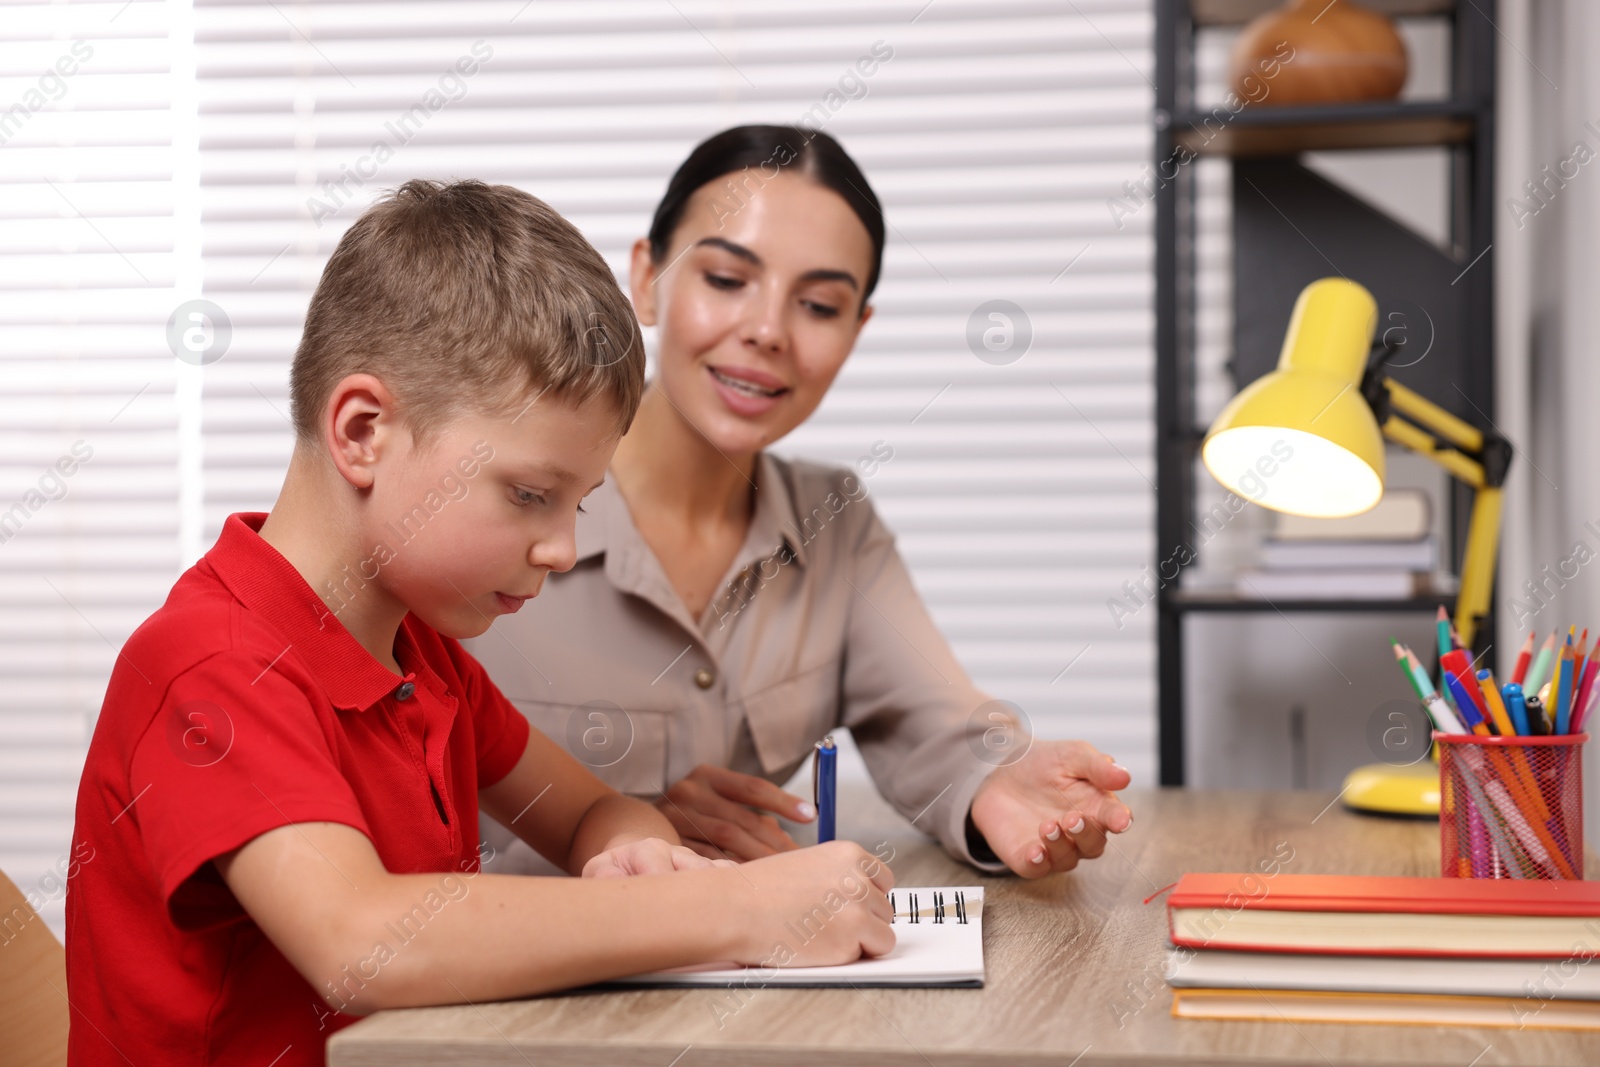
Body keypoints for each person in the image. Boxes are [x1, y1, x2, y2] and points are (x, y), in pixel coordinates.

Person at [65, 179, 895, 1067]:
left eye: (580, 503)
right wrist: (733, 907)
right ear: (363, 431)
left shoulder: (420, 651)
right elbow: (361, 939)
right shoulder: (213, 665)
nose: (564, 550)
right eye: (531, 495)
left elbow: (594, 816)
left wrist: (639, 863)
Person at [469, 126, 1132, 880]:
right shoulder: (479, 507)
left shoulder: (833, 521)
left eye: (818, 304)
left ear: (857, 330)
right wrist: (631, 836)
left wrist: (999, 778)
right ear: (647, 279)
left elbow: (933, 721)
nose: (766, 331)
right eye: (725, 280)